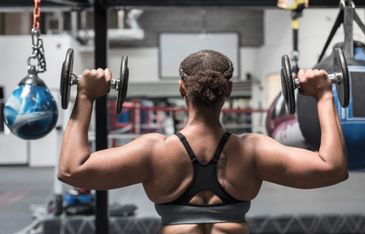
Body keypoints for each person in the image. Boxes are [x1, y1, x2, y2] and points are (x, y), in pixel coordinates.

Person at [58, 50, 348, 234]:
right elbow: (333, 167)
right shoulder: (253, 151)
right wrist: (323, 95)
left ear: (182, 88)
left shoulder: (154, 152)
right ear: (229, 90)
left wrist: (85, 97)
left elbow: (71, 169)